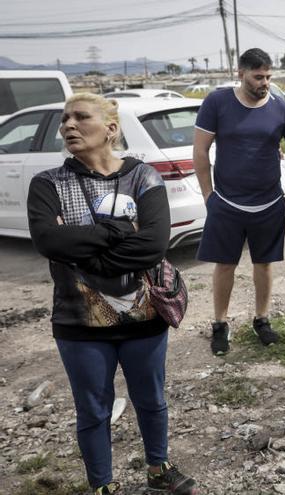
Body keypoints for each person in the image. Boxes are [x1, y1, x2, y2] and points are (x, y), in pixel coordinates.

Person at [27, 93, 198, 495]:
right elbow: (49, 240)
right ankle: (102, 486)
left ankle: (159, 470)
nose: (68, 125)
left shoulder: (144, 177)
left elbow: (154, 245)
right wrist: (118, 231)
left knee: (152, 400)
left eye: (80, 117)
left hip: (144, 317)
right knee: (92, 411)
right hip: (78, 320)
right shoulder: (48, 183)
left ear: (110, 129)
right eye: (65, 119)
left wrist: (84, 250)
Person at [193, 47, 285, 355]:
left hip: (268, 203)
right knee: (225, 264)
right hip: (226, 202)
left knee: (263, 263)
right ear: (241, 73)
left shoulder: (280, 108)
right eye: (258, 76)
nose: (264, 82)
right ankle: (220, 325)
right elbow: (200, 152)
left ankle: (261, 320)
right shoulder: (217, 102)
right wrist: (208, 196)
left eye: (268, 76)